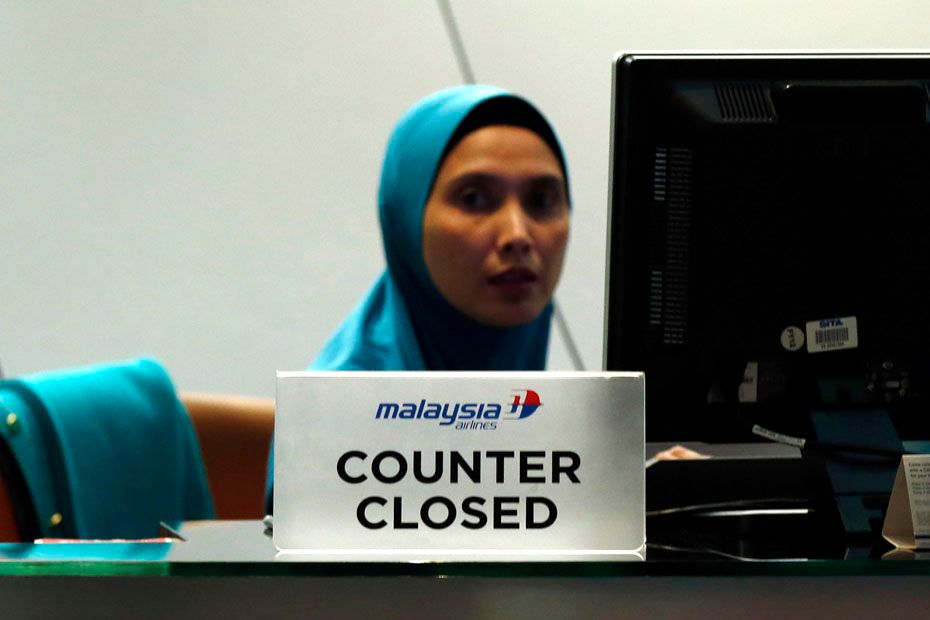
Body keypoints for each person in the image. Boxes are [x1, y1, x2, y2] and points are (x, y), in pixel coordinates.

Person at [265, 84, 571, 512]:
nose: (518, 235)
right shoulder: (334, 426)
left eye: (541, 200)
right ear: (406, 221)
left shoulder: (557, 415)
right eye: (474, 199)